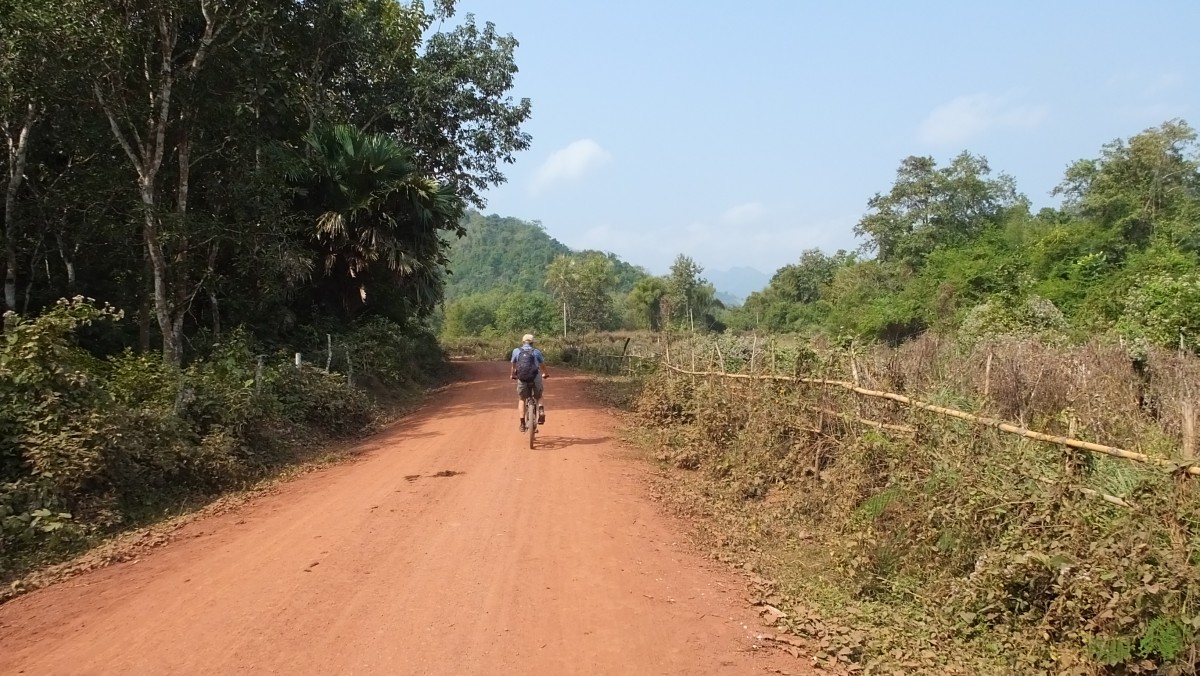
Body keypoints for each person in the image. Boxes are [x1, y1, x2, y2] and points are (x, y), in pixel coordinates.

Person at [510, 333, 548, 432]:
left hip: (522, 378)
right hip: (535, 377)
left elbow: (514, 366)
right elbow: (542, 365)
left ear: (523, 342)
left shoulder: (516, 351)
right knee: (539, 396)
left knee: (522, 399)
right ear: (532, 342)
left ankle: (522, 424)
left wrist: (513, 375)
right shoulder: (536, 352)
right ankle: (541, 410)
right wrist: (545, 373)